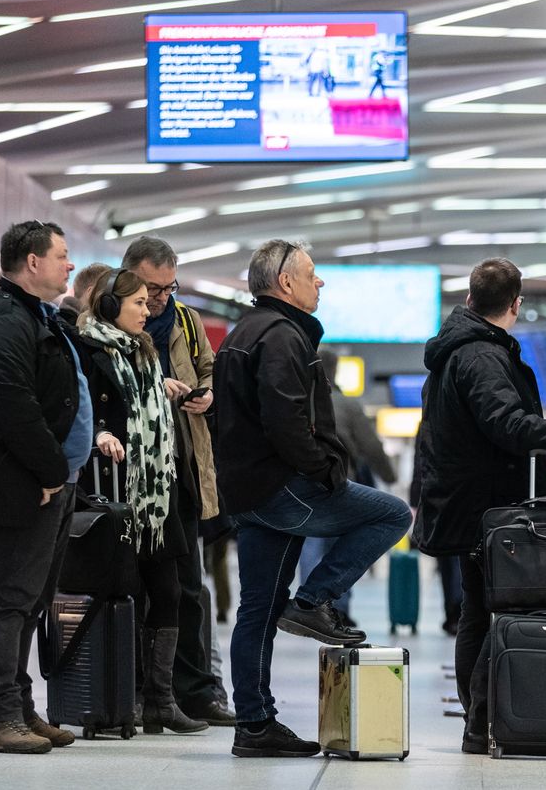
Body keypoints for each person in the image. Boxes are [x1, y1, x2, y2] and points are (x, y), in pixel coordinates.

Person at [212, 239, 411, 757]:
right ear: (285, 283)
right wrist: (324, 471)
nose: (319, 282)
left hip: (249, 493)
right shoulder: (282, 336)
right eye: (312, 274)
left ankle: (253, 724)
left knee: (256, 609)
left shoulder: (244, 333)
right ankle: (314, 599)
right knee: (392, 513)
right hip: (283, 488)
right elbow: (286, 419)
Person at [412, 257, 546, 754]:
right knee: (491, 612)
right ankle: (481, 722)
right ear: (516, 304)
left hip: (470, 505)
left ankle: (481, 723)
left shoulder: (460, 349)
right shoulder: (480, 355)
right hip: (490, 510)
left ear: (470, 299)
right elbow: (507, 423)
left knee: (478, 613)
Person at [0, 220, 90, 754]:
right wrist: (51, 474)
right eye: (62, 256)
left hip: (51, 485)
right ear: (33, 262)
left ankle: (21, 708)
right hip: (27, 485)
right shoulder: (3, 325)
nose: (69, 265)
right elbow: (15, 409)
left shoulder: (38, 317)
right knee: (10, 600)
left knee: (34, 600)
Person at [73, 269, 207, 735]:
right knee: (124, 592)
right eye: (138, 304)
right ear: (110, 307)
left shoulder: (145, 352)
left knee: (167, 591)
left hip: (156, 492)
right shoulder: (87, 349)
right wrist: (99, 432)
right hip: (113, 493)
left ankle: (160, 701)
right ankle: (122, 697)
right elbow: (79, 406)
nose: (147, 311)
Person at [121, 236, 235, 726]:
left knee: (188, 587)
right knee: (131, 587)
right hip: (127, 478)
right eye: (152, 290)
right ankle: (128, 688)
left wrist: (206, 395)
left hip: (181, 470)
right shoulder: (108, 322)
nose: (161, 300)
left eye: (170, 288)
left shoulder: (186, 322)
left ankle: (192, 691)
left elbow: (210, 370)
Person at [295, 348, 400, 626]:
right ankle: (337, 607)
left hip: (303, 485)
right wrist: (389, 476)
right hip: (341, 482)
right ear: (336, 369)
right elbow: (372, 447)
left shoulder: (299, 401)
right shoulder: (346, 404)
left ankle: (307, 606)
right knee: (342, 546)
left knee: (311, 544)